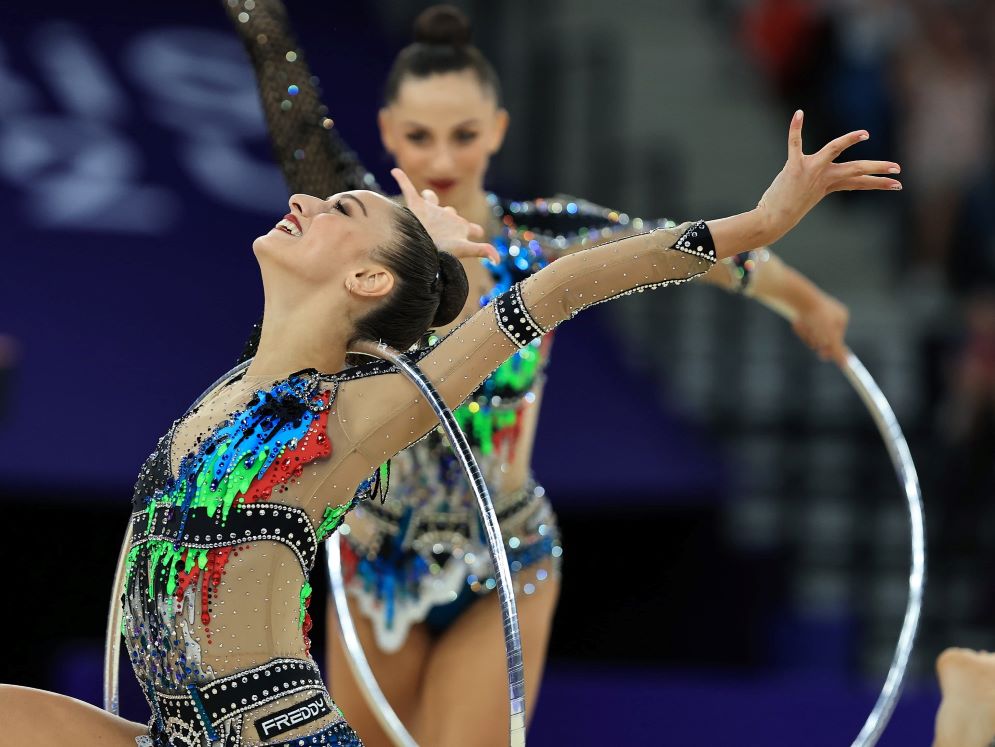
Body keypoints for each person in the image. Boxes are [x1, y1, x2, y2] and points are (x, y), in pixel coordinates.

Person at [0, 96, 900, 745]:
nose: (307, 197)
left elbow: (561, 284)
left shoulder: (354, 413)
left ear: (364, 282)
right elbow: (290, 103)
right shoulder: (232, 385)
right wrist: (439, 262)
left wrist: (760, 221)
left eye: (337, 207)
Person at [222, 4, 862, 744]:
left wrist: (806, 301)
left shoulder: (544, 239)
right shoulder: (364, 244)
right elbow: (289, 104)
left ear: (495, 130)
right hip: (376, 559)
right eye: (420, 135)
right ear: (390, 130)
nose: (441, 157)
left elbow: (688, 254)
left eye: (463, 135)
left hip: (506, 551)